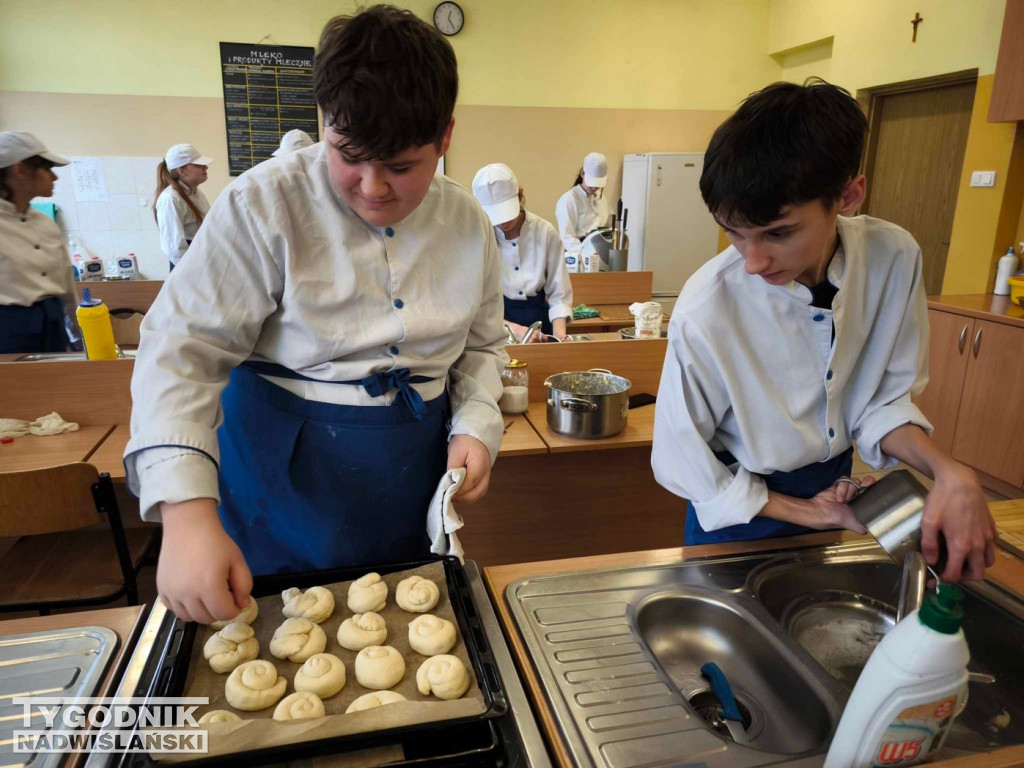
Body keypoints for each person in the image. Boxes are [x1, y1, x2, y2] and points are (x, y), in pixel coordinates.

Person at [125, 5, 507, 623]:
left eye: (403, 166)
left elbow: (484, 347)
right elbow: (181, 349)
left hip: (411, 468)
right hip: (281, 475)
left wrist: (475, 420)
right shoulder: (261, 205)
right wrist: (185, 511)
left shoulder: (468, 223)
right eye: (347, 154)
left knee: (402, 624)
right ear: (325, 121)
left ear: (445, 138)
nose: (373, 186)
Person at [651, 79, 996, 583]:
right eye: (735, 233)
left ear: (848, 196)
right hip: (736, 507)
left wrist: (949, 471)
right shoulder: (708, 305)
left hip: (834, 487)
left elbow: (880, 402)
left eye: (778, 233)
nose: (753, 261)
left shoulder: (892, 257)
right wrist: (810, 511)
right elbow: (680, 457)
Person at [472, 163, 573, 342]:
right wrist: (513, 329)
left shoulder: (545, 232)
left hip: (540, 323)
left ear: (520, 196)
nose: (503, 223)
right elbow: (476, 308)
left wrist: (560, 336)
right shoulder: (479, 238)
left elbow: (559, 295)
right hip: (496, 327)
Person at [0, 131, 80, 354]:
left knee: (55, 386)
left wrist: (78, 336)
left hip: (52, 325)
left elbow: (67, 288)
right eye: (47, 168)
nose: (55, 177)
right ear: (21, 170)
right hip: (7, 330)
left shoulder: (45, 223)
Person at [153, 143, 212, 272]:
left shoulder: (196, 193)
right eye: (198, 165)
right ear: (181, 171)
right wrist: (190, 273)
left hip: (200, 259)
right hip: (186, 266)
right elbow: (174, 248)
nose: (205, 167)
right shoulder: (171, 199)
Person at [555, 152, 609, 265]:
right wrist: (587, 256)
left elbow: (607, 227)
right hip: (577, 258)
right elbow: (567, 237)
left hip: (601, 255)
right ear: (582, 173)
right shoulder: (568, 200)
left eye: (598, 183)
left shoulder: (602, 199)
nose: (594, 187)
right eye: (592, 182)